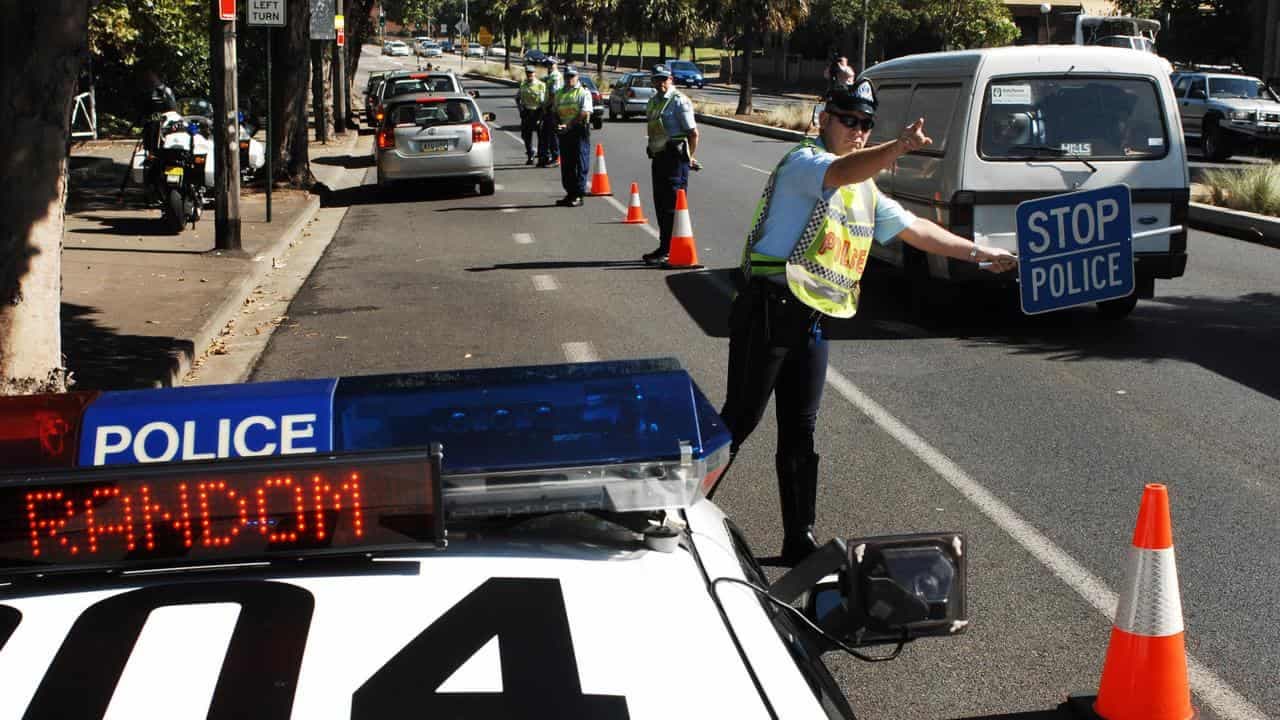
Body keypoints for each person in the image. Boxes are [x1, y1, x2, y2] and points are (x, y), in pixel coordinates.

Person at [718, 80, 1018, 566]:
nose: (857, 131)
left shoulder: (865, 190)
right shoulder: (806, 163)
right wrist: (897, 146)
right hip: (769, 311)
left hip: (813, 320)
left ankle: (800, 536)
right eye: (848, 120)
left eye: (866, 124)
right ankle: (679, 513)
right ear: (824, 119)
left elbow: (917, 229)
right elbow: (841, 170)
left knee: (801, 432)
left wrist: (980, 253)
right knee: (740, 420)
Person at [642, 65, 701, 266]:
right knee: (660, 203)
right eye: (657, 79)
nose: (660, 83)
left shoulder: (678, 101)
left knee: (672, 204)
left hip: (675, 158)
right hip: (659, 156)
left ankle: (670, 249)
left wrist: (690, 156)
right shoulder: (654, 101)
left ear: (671, 79)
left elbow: (693, 133)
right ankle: (664, 245)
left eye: (664, 79)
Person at [553, 66, 593, 207]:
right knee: (567, 166)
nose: (569, 79)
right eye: (567, 76)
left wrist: (568, 125)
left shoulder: (583, 92)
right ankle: (570, 193)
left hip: (579, 132)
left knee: (580, 164)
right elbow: (555, 111)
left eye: (572, 76)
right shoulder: (559, 93)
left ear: (577, 77)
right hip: (564, 133)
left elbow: (584, 112)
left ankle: (578, 195)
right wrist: (557, 124)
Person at [517, 66, 547, 165]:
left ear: (535, 73)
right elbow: (517, 98)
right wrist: (520, 109)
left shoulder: (541, 85)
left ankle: (541, 156)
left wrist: (542, 115)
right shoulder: (523, 84)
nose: (529, 75)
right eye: (528, 73)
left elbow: (544, 102)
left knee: (541, 136)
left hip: (538, 111)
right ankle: (530, 154)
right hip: (527, 112)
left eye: (531, 73)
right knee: (525, 135)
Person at [538, 58, 564, 167]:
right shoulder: (551, 76)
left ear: (555, 64)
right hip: (550, 108)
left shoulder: (555, 77)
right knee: (546, 133)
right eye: (547, 64)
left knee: (552, 134)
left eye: (551, 64)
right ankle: (546, 157)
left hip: (553, 109)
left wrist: (547, 107)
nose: (548, 66)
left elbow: (554, 94)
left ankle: (556, 157)